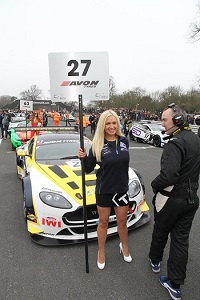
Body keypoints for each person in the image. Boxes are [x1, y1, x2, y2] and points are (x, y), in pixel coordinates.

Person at [149, 104, 200, 300]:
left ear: (177, 121)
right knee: (180, 241)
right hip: (192, 199)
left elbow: (168, 175)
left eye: (164, 119)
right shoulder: (195, 139)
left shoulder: (175, 143)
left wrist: (154, 184)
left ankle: (154, 261)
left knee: (160, 230)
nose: (162, 123)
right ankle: (175, 285)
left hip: (171, 199)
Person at [78, 109, 132, 270]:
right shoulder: (97, 144)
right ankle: (101, 252)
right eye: (108, 123)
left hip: (121, 189)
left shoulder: (124, 141)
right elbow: (88, 169)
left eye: (114, 123)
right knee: (103, 222)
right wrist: (83, 158)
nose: (111, 126)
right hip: (104, 189)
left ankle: (125, 247)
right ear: (102, 125)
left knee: (122, 222)